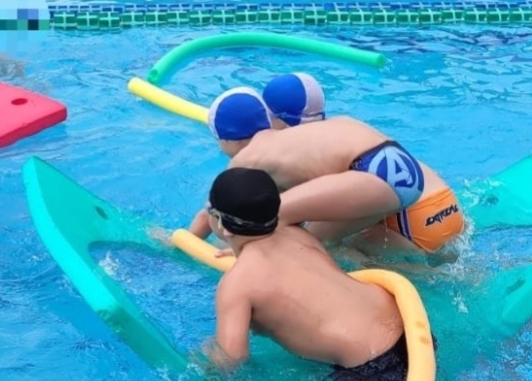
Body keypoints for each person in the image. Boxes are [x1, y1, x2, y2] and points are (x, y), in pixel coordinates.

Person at [202, 166, 528, 381]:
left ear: (217, 222)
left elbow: (233, 363)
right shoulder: (297, 234)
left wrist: (207, 359)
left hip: (372, 364)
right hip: (406, 324)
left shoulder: (237, 285)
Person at [188, 85, 464, 258]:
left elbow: (212, 213)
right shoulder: (297, 138)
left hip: (373, 175)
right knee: (322, 241)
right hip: (404, 171)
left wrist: (187, 243)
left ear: (225, 140)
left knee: (270, 221)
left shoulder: (246, 158)